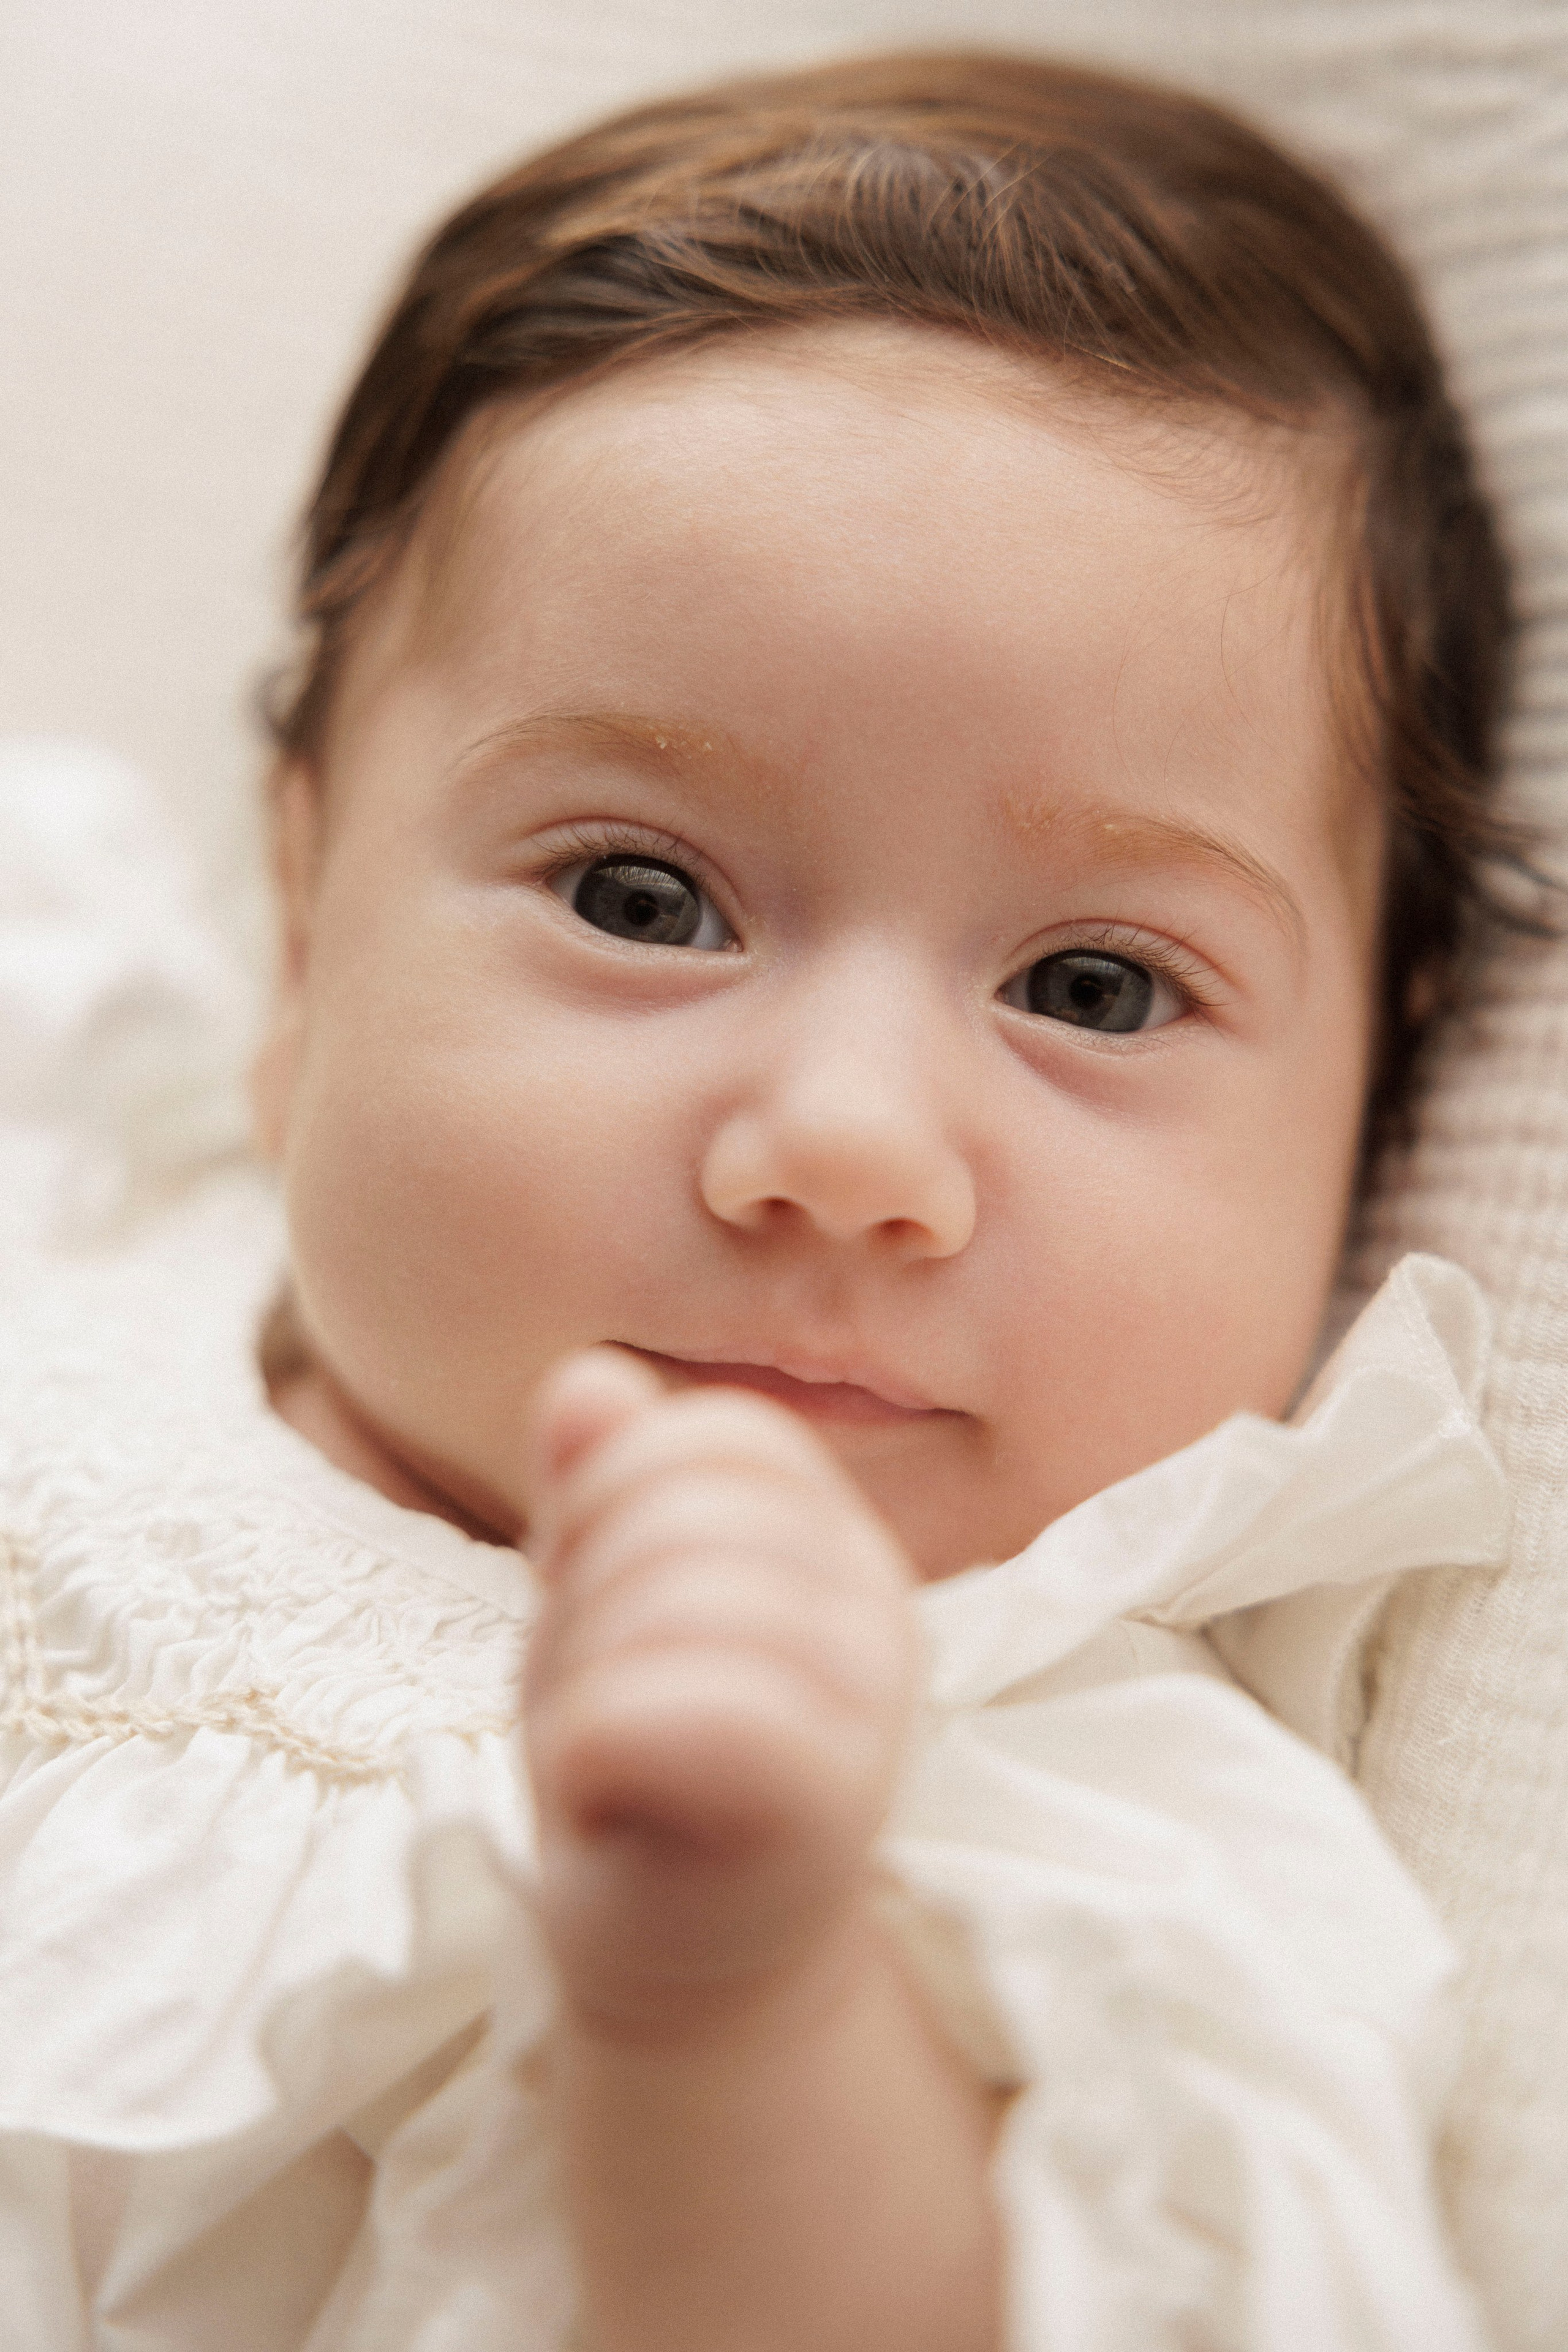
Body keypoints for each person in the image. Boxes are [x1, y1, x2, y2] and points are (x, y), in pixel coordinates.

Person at [0, 48, 1523, 2352]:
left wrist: (736, 2000)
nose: (844, 1140)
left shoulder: (1035, 1792)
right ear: (303, 920)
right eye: (641, 893)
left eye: (1094, 983)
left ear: (1371, 1103)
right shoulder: (80, 1190)